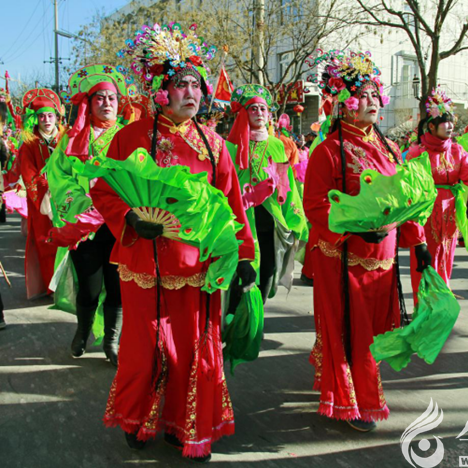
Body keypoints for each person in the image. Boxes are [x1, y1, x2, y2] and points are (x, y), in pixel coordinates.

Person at [94, 23, 256, 462]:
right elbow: (104, 191)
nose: (192, 92)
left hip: (197, 268)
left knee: (192, 352)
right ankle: (136, 419)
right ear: (161, 91)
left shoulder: (215, 146)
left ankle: (186, 427)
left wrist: (242, 256)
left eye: (197, 84)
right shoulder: (129, 138)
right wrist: (130, 218)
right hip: (142, 264)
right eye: (181, 83)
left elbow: (232, 208)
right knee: (143, 349)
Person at [303, 50, 431, 432]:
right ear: (344, 102)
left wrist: (418, 241)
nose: (372, 101)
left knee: (373, 332)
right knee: (351, 331)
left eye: (376, 94)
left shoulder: (390, 148)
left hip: (383, 260)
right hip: (344, 259)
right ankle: (355, 401)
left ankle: (344, 382)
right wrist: (353, 228)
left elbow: (405, 199)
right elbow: (315, 205)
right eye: (363, 95)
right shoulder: (328, 151)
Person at [47, 64, 131, 365]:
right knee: (90, 287)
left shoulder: (130, 136)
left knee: (118, 287)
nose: (107, 103)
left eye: (112, 98)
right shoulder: (72, 138)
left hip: (122, 224)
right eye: (100, 98)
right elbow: (59, 177)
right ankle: (83, 330)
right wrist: (83, 204)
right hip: (87, 225)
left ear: (119, 103)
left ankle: (112, 340)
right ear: (89, 102)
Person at [406, 87, 468, 290]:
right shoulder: (418, 153)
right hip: (426, 212)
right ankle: (425, 303)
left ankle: (444, 296)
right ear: (431, 126)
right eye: (445, 122)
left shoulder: (456, 151)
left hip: (451, 213)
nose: (450, 126)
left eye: (452, 121)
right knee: (426, 258)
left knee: (446, 254)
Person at [227, 84, 307, 303]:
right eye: (253, 108)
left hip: (271, 223)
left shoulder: (277, 145)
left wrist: (295, 218)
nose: (259, 113)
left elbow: (286, 184)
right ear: (243, 113)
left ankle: (258, 318)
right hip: (240, 223)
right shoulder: (229, 147)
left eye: (263, 109)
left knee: (267, 278)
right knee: (239, 283)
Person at [18, 88, 65, 299]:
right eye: (42, 116)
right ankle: (51, 287)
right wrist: (46, 190)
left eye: (50, 115)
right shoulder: (29, 144)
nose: (46, 120)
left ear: (57, 117)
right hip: (42, 203)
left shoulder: (66, 138)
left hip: (66, 198)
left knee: (68, 241)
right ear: (35, 119)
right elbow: (28, 173)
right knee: (46, 242)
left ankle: (68, 287)